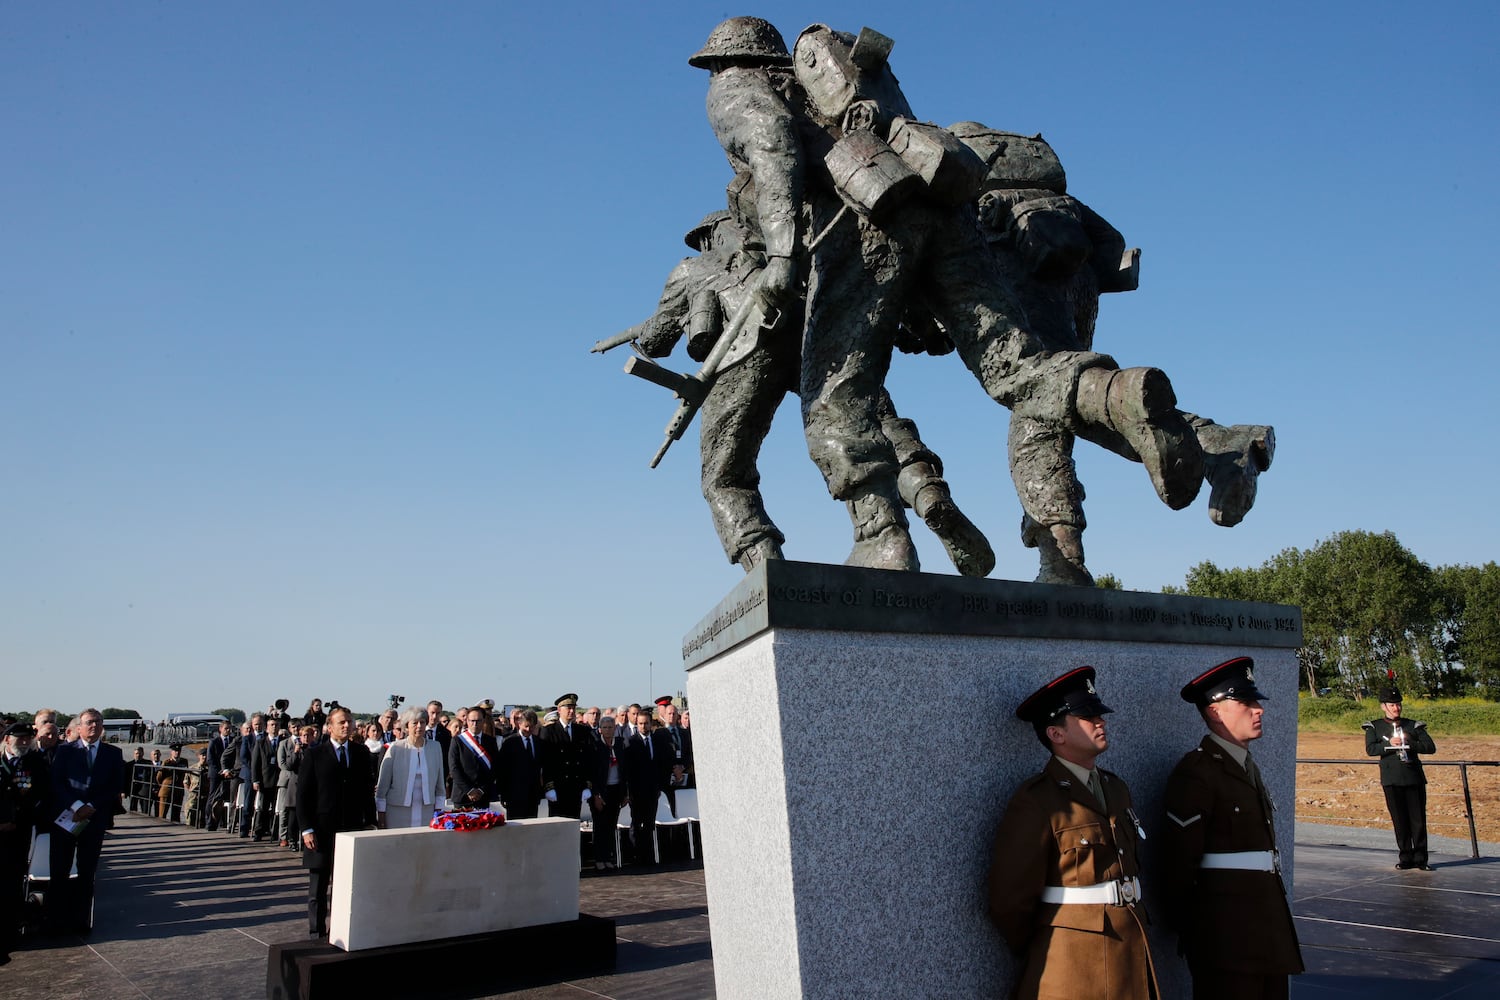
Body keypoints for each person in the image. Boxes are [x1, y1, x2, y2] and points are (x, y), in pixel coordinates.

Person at [987, 667, 1157, 999]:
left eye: (1099, 714)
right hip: (1076, 961)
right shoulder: (1038, 800)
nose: (1100, 721)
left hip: (1130, 948)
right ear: (1056, 733)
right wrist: (1050, 941)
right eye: (1087, 716)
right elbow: (1010, 898)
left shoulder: (1116, 788)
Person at [1163, 656, 1303, 998]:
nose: (1259, 710)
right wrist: (1197, 931)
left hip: (1267, 926)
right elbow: (1179, 863)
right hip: (1225, 935)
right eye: (1245, 702)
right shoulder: (1198, 772)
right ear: (1215, 711)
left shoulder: (1247, 767)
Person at [296, 706, 376, 940]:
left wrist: (370, 822)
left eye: (349, 721)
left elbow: (366, 792)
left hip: (350, 829)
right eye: (341, 722)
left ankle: (341, 930)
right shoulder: (315, 754)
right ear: (329, 727)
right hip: (320, 830)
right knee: (318, 887)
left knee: (346, 885)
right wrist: (306, 828)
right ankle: (316, 932)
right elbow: (303, 795)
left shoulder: (361, 753)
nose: (346, 725)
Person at [47, 708, 126, 934]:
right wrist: (76, 806)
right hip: (67, 817)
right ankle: (55, 920)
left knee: (87, 871)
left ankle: (81, 920)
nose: (94, 726)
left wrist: (91, 807)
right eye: (89, 722)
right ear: (79, 727)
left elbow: (114, 786)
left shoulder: (113, 753)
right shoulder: (65, 751)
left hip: (94, 818)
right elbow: (57, 783)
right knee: (59, 870)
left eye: (98, 722)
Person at [1363, 675, 1437, 871]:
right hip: (1391, 779)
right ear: (1383, 706)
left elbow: (1430, 747)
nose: (1396, 709)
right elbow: (1371, 749)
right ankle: (1406, 857)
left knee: (1418, 821)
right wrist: (1389, 743)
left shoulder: (1413, 725)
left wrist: (1409, 742)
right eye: (1392, 705)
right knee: (1400, 821)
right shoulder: (1374, 726)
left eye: (1398, 705)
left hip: (1413, 779)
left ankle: (1421, 859)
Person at [1, 722, 51, 964]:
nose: (23, 742)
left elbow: (41, 794)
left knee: (13, 879)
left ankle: (11, 930)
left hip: (19, 831)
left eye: (26, 738)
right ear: (6, 739)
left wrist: (21, 818)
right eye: (18, 738)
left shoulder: (35, 763)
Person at [376, 708, 446, 829]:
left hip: (427, 811)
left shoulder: (435, 747)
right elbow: (383, 786)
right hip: (397, 811)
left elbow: (440, 783)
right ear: (407, 726)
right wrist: (381, 816)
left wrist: (439, 810)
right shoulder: (395, 748)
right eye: (415, 723)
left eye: (423, 722)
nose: (419, 726)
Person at [539, 693, 594, 819]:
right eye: (568, 708)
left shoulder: (582, 731)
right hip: (558, 788)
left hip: (576, 788)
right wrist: (549, 787)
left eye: (573, 708)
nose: (571, 711)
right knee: (557, 829)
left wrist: (587, 785)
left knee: (573, 826)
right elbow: (546, 762)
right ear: (559, 710)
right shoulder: (549, 731)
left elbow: (587, 760)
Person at [589, 716, 629, 870]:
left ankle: (608, 857)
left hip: (615, 790)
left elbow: (624, 771)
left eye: (610, 727)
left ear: (615, 729)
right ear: (600, 729)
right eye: (604, 727)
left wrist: (625, 793)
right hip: (600, 792)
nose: (607, 730)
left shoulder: (619, 745)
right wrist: (596, 795)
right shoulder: (596, 746)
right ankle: (599, 858)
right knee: (600, 827)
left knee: (611, 825)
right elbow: (592, 772)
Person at [623, 710, 663, 866]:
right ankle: (636, 856)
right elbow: (628, 770)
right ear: (636, 724)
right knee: (636, 824)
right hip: (637, 791)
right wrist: (629, 791)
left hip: (653, 791)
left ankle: (648, 855)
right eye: (640, 723)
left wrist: (658, 786)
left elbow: (659, 766)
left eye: (646, 723)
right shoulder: (631, 742)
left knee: (649, 823)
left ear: (651, 723)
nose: (643, 726)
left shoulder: (657, 741)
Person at [449, 706, 501, 808]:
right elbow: (454, 768)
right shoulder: (457, 741)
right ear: (467, 721)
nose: (475, 724)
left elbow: (495, 768)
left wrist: (481, 790)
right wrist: (469, 790)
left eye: (478, 721)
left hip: (483, 796)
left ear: (483, 721)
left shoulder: (490, 741)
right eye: (472, 721)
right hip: (462, 796)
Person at [498, 710, 544, 820]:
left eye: (532, 727)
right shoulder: (509, 742)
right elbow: (502, 770)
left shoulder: (539, 743)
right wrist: (503, 795)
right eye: (526, 726)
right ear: (519, 724)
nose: (529, 730)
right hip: (514, 795)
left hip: (532, 796)